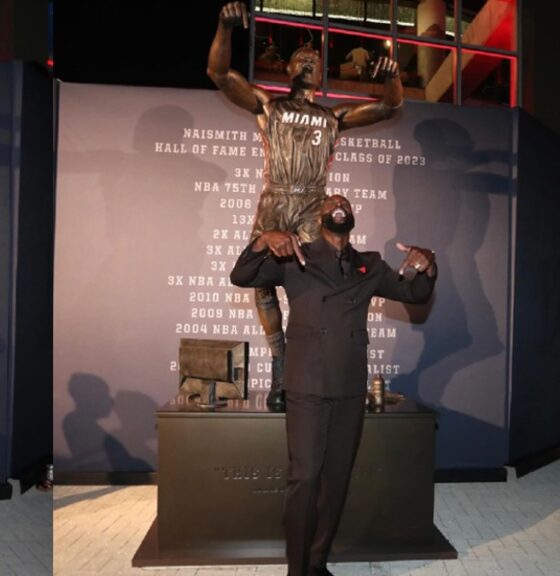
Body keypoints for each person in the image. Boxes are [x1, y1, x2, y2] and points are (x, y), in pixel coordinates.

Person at [207, 1, 404, 410]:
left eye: (315, 57)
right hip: (277, 199)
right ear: (289, 69)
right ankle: (281, 366)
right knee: (262, 284)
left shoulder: (333, 117)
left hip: (313, 204)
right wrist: (225, 30)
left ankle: (308, 368)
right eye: (301, 57)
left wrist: (393, 78)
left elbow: (390, 107)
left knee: (315, 286)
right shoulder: (269, 106)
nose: (309, 60)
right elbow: (220, 74)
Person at [230, 195, 436, 576]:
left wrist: (427, 266)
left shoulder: (369, 265)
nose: (338, 204)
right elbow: (240, 276)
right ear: (320, 218)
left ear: (351, 218)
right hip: (307, 383)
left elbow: (414, 294)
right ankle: (297, 568)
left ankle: (317, 561)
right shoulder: (295, 257)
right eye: (330, 203)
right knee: (305, 477)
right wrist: (262, 240)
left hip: (349, 386)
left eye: (344, 202)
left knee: (337, 478)